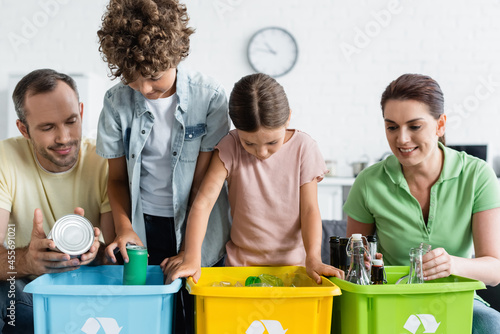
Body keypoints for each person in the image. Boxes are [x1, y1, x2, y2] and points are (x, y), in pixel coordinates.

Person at [96, 0, 231, 332]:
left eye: (153, 77)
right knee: (148, 319)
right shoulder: (116, 102)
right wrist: (125, 228)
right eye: (131, 78)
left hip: (198, 226)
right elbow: (115, 180)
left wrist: (190, 248)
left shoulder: (210, 97)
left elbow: (203, 187)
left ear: (176, 56)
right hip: (144, 226)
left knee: (195, 317)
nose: (143, 89)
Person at [344, 73, 500, 332]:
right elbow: (352, 260)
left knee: (491, 324)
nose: (402, 139)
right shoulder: (369, 182)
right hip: (390, 299)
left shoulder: (476, 175)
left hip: (456, 299)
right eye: (392, 127)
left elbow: (494, 269)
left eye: (414, 126)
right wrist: (361, 261)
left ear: (440, 125)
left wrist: (452, 264)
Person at [165, 73, 343, 285]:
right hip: (240, 268)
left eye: (271, 142)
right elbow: (203, 203)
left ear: (287, 118)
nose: (262, 152)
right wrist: (193, 257)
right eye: (249, 144)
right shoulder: (230, 146)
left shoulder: (304, 148)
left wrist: (313, 259)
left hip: (293, 267)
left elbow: (309, 210)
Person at [0, 69, 113, 333]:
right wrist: (27, 261)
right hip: (27, 291)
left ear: (82, 113)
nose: (64, 137)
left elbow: (117, 259)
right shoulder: (5, 158)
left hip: (91, 292)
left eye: (71, 121)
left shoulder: (105, 162)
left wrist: (96, 253)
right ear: (23, 129)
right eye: (48, 127)